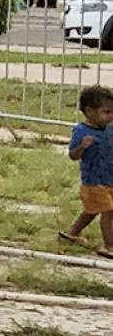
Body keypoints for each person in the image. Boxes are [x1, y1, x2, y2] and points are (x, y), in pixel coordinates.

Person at [64, 86, 113, 252]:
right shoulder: (81, 131)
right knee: (108, 211)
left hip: (109, 178)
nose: (110, 116)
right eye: (106, 112)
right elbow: (72, 155)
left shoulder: (109, 128)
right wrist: (82, 147)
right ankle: (109, 245)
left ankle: (73, 233)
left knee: (92, 210)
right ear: (89, 111)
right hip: (93, 181)